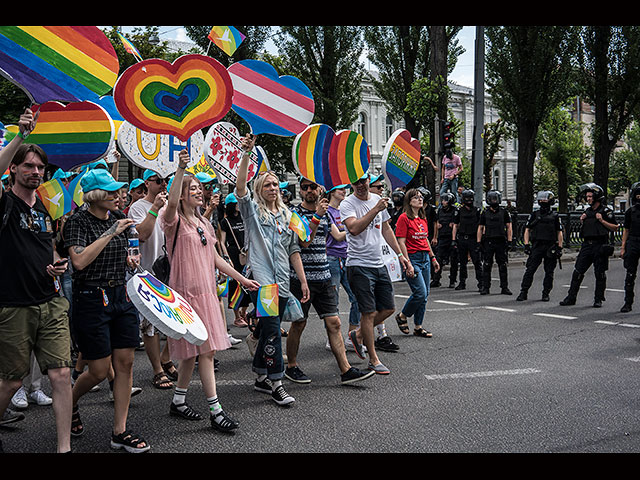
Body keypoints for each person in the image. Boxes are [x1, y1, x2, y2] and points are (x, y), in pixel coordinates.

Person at [159, 151, 260, 431]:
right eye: (192, 189)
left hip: (206, 293)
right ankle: (216, 411)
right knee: (205, 352)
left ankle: (178, 401)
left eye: (199, 189)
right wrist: (180, 170)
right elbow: (170, 204)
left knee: (195, 353)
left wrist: (242, 279)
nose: (199, 193)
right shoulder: (173, 221)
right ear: (180, 194)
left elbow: (214, 258)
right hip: (186, 294)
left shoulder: (204, 222)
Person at [0, 108, 73, 453]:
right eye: (28, 165)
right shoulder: (6, 203)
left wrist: (56, 264)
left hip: (51, 302)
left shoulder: (45, 209)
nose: (35, 172)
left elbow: (50, 252)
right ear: (13, 168)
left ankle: (63, 448)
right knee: (11, 380)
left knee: (60, 374)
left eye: (40, 167)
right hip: (14, 305)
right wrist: (20, 137)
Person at [63, 168, 149, 453]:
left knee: (125, 363)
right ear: (95, 196)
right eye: (111, 192)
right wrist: (112, 233)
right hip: (91, 296)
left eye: (118, 191)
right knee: (99, 370)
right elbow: (79, 261)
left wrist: (129, 261)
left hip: (119, 294)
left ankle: (119, 431)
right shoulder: (77, 222)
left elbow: (123, 254)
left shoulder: (118, 220)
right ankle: (70, 402)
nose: (117, 195)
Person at [235, 134, 309, 406]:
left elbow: (293, 250)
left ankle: (260, 377)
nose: (273, 188)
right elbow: (240, 190)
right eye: (267, 184)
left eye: (276, 184)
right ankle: (276, 382)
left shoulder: (288, 216)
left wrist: (302, 281)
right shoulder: (253, 212)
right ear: (259, 189)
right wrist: (246, 154)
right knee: (273, 330)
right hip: (264, 284)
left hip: (283, 282)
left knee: (270, 329)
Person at [285, 177, 375, 385]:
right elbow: (304, 242)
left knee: (334, 323)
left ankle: (346, 370)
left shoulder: (326, 214)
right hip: (302, 279)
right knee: (299, 323)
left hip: (324, 276)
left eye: (312, 187)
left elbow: (337, 235)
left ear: (320, 190)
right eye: (304, 187)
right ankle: (292, 366)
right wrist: (317, 216)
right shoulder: (295, 213)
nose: (309, 191)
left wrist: (361, 225)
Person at [341, 173, 413, 375]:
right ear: (351, 184)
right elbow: (354, 228)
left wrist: (399, 254)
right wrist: (375, 209)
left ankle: (358, 334)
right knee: (369, 312)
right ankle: (373, 359)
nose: (361, 185)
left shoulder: (376, 200)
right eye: (356, 182)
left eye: (364, 181)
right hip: (358, 265)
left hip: (378, 264)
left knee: (389, 308)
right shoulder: (347, 204)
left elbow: (386, 229)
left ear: (368, 181)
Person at [127, 169, 176, 389]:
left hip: (168, 269)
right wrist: (155, 208)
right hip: (146, 272)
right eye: (158, 181)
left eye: (166, 180)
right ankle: (157, 369)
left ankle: (166, 358)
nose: (163, 184)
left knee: (174, 321)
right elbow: (142, 235)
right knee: (150, 325)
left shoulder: (168, 206)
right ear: (147, 183)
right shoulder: (137, 207)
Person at [560, 183, 618, 308]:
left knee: (599, 273)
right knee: (577, 272)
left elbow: (615, 228)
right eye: (587, 197)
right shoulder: (587, 211)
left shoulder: (605, 211)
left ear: (597, 197)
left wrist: (602, 220)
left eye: (590, 196)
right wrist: (583, 220)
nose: (588, 199)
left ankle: (598, 299)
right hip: (587, 245)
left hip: (600, 245)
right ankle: (571, 297)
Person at [394, 188, 440, 338]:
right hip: (412, 258)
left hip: (425, 258)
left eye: (421, 197)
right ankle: (402, 315)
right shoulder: (403, 218)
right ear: (409, 201)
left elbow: (425, 239)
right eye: (416, 198)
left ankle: (418, 327)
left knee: (425, 295)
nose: (420, 199)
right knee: (419, 292)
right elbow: (401, 242)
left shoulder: (422, 218)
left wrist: (433, 258)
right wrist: (407, 263)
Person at [325, 184, 361, 350]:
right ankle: (333, 338)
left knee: (357, 298)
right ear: (332, 192)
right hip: (332, 258)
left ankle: (351, 337)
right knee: (333, 302)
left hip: (348, 257)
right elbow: (338, 236)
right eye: (340, 189)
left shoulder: (346, 210)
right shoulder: (327, 212)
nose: (344, 191)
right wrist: (353, 227)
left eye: (345, 189)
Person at [516, 191, 564, 302]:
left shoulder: (555, 216)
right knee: (530, 270)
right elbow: (527, 229)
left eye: (545, 200)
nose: (543, 201)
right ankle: (523, 292)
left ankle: (545, 293)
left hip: (550, 246)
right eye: (541, 200)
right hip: (537, 246)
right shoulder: (535, 215)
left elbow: (559, 232)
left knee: (549, 272)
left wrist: (559, 247)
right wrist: (526, 245)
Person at [219, 193, 252, 327]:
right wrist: (226, 258)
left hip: (246, 253)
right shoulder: (225, 222)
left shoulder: (243, 218)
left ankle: (245, 311)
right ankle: (237, 316)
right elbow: (221, 242)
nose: (238, 206)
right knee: (235, 285)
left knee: (248, 283)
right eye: (236, 204)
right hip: (233, 254)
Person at [477, 190, 513, 295]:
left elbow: (509, 226)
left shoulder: (504, 212)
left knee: (502, 265)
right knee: (487, 265)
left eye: (495, 199)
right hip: (488, 241)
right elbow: (480, 227)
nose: (494, 201)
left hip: (501, 241)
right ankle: (486, 287)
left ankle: (504, 287)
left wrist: (510, 241)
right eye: (492, 199)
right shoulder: (485, 213)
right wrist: (479, 242)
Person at [452, 189, 483, 291]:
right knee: (462, 262)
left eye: (470, 198)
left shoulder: (477, 211)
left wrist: (480, 240)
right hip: (462, 238)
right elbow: (455, 226)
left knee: (477, 261)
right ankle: (462, 282)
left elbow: (481, 227)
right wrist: (453, 239)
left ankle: (481, 283)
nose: (469, 200)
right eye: (467, 198)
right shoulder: (459, 211)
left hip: (473, 238)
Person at [431, 192, 459, 288]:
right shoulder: (440, 211)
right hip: (442, 237)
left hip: (451, 238)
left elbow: (457, 223)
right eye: (442, 200)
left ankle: (452, 280)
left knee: (453, 260)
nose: (443, 202)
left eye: (445, 200)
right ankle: (436, 279)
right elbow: (437, 222)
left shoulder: (455, 211)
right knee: (438, 258)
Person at [620, 182, 640, 312]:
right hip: (633, 242)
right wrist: (623, 248)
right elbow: (626, 230)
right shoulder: (630, 212)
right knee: (630, 274)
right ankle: (628, 302)